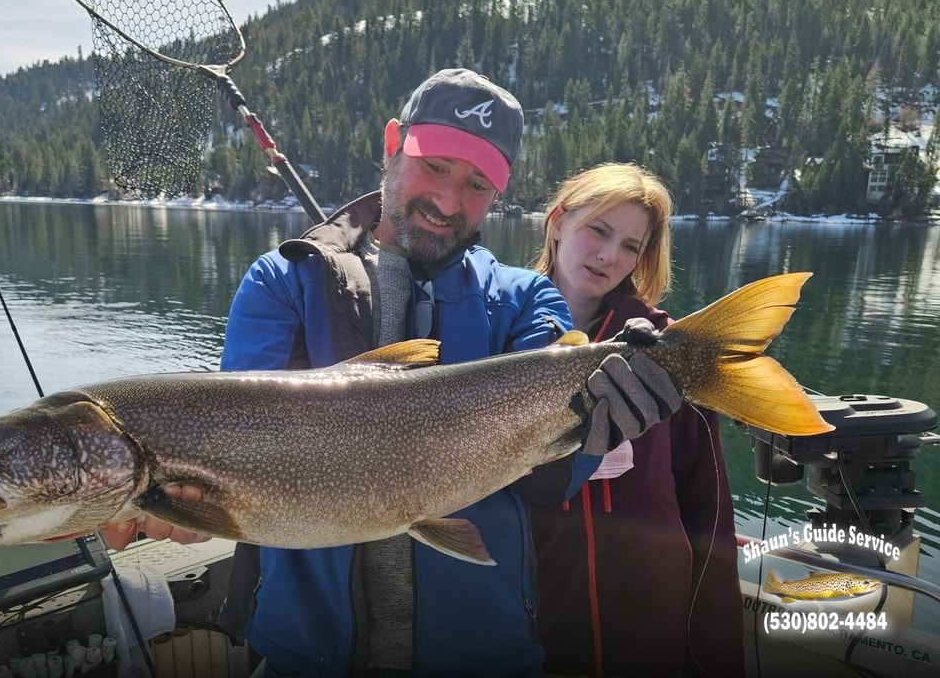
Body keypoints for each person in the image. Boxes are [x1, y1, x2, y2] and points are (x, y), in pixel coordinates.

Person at [104, 70, 680, 677]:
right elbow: (242, 442)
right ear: (391, 143)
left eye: (477, 184)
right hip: (307, 659)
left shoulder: (526, 300)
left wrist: (600, 424)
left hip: (487, 658)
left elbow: (547, 481)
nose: (449, 203)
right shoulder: (283, 283)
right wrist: (200, 508)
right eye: (434, 167)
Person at [527, 163, 745, 678]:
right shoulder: (495, 333)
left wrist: (717, 655)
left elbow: (708, 511)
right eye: (597, 230)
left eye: (630, 246)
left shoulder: (667, 353)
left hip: (651, 616)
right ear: (557, 222)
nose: (609, 255)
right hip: (536, 615)